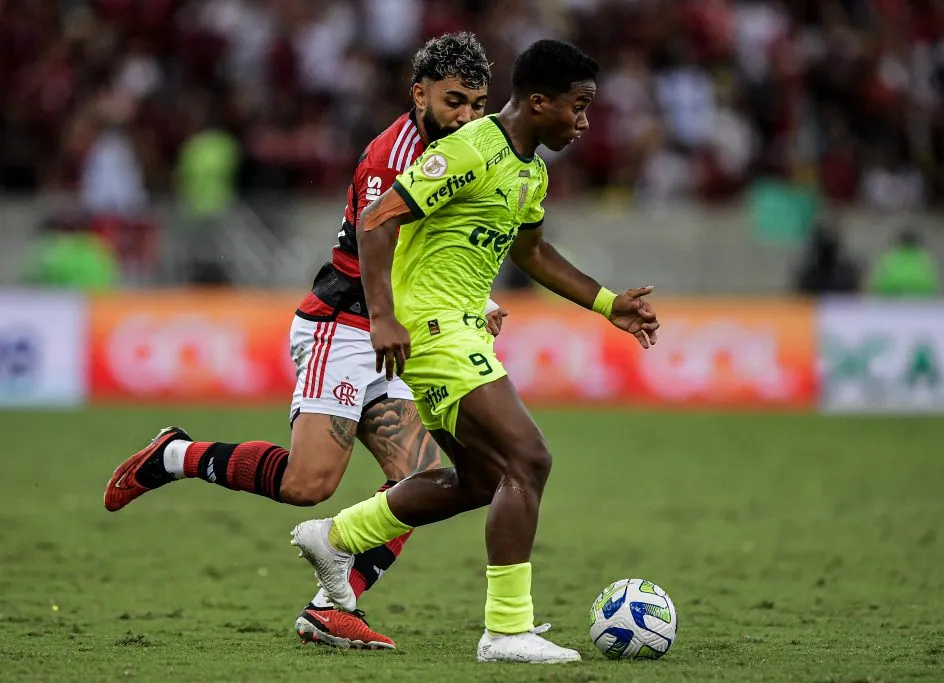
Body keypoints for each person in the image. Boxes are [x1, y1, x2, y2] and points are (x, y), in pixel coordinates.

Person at [102, 33, 501, 650]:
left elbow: (444, 247)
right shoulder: (390, 154)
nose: (467, 117)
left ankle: (331, 606)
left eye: (478, 104)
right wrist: (391, 318)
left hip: (395, 332)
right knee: (307, 486)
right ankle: (174, 456)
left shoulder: (465, 150)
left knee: (420, 479)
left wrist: (476, 302)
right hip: (341, 326)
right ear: (418, 92)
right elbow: (375, 235)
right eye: (455, 102)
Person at [290, 39, 659, 664]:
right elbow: (379, 218)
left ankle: (334, 537)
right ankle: (506, 630)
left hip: (461, 327)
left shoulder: (530, 170)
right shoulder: (471, 147)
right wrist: (381, 317)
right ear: (539, 102)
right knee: (529, 458)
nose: (585, 121)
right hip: (433, 329)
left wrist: (607, 304)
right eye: (579, 106)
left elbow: (531, 253)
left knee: (483, 478)